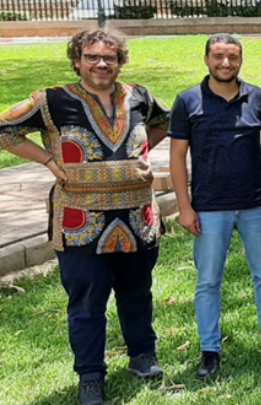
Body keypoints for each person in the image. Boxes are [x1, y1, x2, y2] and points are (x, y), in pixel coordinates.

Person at [0, 29, 169, 405]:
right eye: (92, 56)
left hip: (136, 217)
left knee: (137, 292)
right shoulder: (53, 100)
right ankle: (90, 374)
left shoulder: (138, 95)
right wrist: (47, 160)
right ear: (77, 60)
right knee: (87, 301)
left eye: (110, 57)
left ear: (120, 61)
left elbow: (165, 122)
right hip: (80, 221)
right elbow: (4, 130)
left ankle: (143, 356)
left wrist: (138, 157)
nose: (101, 64)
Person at [169, 34, 261, 380]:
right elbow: (177, 157)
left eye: (233, 57)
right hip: (209, 208)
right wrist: (184, 206)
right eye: (219, 57)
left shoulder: (257, 98)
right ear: (206, 59)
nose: (226, 63)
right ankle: (210, 350)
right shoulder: (187, 101)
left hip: (255, 203)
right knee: (208, 281)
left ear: (241, 60)